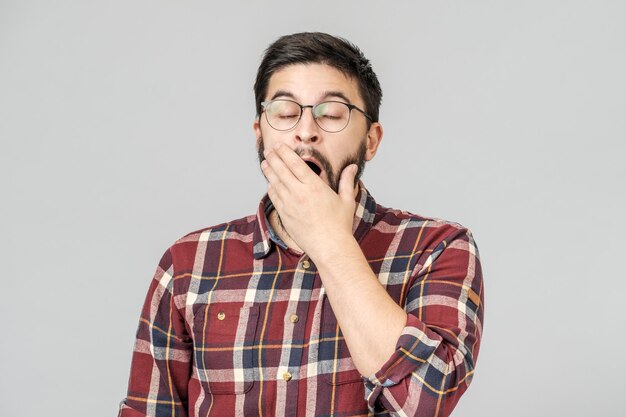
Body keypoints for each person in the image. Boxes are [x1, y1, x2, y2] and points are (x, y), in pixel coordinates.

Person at [119, 32, 484, 417]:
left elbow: (427, 403)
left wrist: (330, 243)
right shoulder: (189, 263)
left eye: (331, 113)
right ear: (259, 133)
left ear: (371, 140)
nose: (306, 130)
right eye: (285, 111)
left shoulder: (437, 248)